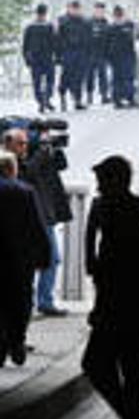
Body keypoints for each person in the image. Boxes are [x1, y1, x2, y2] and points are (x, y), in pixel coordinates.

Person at [83, 155, 139, 419]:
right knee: (131, 375)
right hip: (132, 309)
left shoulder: (125, 215)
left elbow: (114, 271)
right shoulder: (126, 211)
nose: (99, 188)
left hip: (124, 309)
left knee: (100, 365)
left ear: (116, 182)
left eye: (102, 181)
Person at [4, 127, 72, 317]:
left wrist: (53, 148)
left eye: (25, 143)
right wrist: (42, 151)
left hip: (43, 214)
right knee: (32, 260)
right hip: (25, 217)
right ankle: (35, 301)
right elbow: (28, 174)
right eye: (20, 143)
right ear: (8, 143)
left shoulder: (34, 155)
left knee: (52, 259)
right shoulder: (7, 161)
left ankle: (43, 301)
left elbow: (61, 165)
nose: (24, 146)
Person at [0, 151, 50, 367]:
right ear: (13, 169)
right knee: (21, 300)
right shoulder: (25, 191)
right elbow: (37, 226)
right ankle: (17, 340)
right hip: (20, 258)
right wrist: (44, 255)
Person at [56, 0, 92, 111]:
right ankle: (62, 95)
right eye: (73, 8)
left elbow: (89, 39)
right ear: (69, 8)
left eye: (77, 8)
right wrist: (58, 55)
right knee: (66, 75)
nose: (75, 10)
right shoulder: (63, 21)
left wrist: (88, 53)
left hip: (81, 52)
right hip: (68, 52)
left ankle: (78, 100)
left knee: (79, 77)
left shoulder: (85, 22)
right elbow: (58, 39)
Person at [22, 4, 57, 113]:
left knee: (46, 81)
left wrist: (56, 56)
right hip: (39, 58)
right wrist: (27, 59)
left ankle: (44, 100)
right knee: (41, 81)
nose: (42, 16)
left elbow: (55, 43)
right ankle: (43, 101)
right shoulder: (32, 27)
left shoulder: (48, 26)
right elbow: (26, 45)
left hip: (43, 58)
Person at [106, 6, 138, 109]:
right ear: (114, 16)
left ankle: (130, 98)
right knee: (117, 79)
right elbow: (106, 44)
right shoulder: (110, 28)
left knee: (129, 78)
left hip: (128, 56)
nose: (119, 18)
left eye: (120, 15)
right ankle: (117, 100)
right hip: (115, 57)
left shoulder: (129, 25)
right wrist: (108, 57)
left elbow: (135, 38)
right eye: (117, 16)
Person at [86, 2, 110, 105]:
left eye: (102, 10)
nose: (100, 12)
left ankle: (104, 95)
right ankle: (89, 95)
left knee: (103, 75)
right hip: (90, 53)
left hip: (102, 54)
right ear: (94, 10)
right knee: (90, 76)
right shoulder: (88, 23)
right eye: (98, 10)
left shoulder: (106, 23)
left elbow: (108, 39)